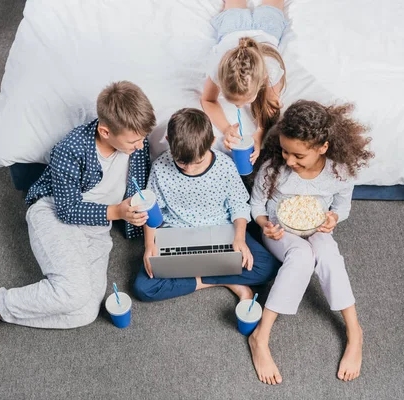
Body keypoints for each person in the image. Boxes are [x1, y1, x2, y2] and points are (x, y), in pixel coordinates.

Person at [0, 81, 156, 360]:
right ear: (105, 131)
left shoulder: (138, 143)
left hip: (97, 228)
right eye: (133, 141)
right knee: (74, 293)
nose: (139, 146)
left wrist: (141, 225)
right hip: (54, 213)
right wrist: (118, 213)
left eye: (141, 139)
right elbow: (67, 210)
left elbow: (137, 188)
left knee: (86, 312)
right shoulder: (70, 150)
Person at [248, 100, 374, 384]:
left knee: (329, 254)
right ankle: (260, 336)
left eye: (298, 155)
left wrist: (333, 219)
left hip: (316, 226)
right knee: (302, 257)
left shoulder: (340, 172)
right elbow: (256, 206)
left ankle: (355, 331)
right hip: (280, 229)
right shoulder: (274, 168)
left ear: (322, 147)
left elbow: (343, 208)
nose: (289, 161)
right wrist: (264, 225)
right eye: (284, 150)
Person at [133, 108, 280, 302]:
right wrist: (149, 245)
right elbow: (151, 208)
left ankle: (199, 277)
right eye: (181, 163)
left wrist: (239, 238)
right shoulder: (160, 167)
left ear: (211, 142)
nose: (190, 169)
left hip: (221, 231)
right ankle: (224, 281)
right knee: (144, 288)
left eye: (197, 162)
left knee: (267, 267)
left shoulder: (225, 166)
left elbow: (238, 205)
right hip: (178, 235)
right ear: (168, 141)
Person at [201, 0, 288, 164]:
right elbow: (207, 99)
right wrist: (226, 129)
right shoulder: (219, 67)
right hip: (235, 26)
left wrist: (260, 132)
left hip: (263, 26)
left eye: (245, 101)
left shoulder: (271, 69)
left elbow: (271, 106)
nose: (239, 107)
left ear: (261, 81)